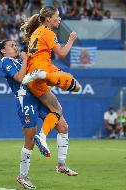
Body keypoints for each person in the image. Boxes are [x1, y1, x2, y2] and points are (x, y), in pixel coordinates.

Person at [0, 39, 78, 189]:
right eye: (11, 46)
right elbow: (20, 78)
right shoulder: (6, 61)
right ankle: (22, 177)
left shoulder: (22, 60)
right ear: (3, 50)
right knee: (30, 140)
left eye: (15, 45)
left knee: (63, 126)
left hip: (40, 96)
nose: (15, 47)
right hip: (26, 100)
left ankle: (61, 164)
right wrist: (25, 60)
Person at [21, 6, 81, 150]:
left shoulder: (36, 32)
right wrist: (71, 40)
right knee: (77, 87)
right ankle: (42, 136)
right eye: (57, 16)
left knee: (59, 107)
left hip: (34, 72)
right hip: (42, 69)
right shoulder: (48, 32)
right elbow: (61, 54)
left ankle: (43, 138)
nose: (59, 19)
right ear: (48, 18)